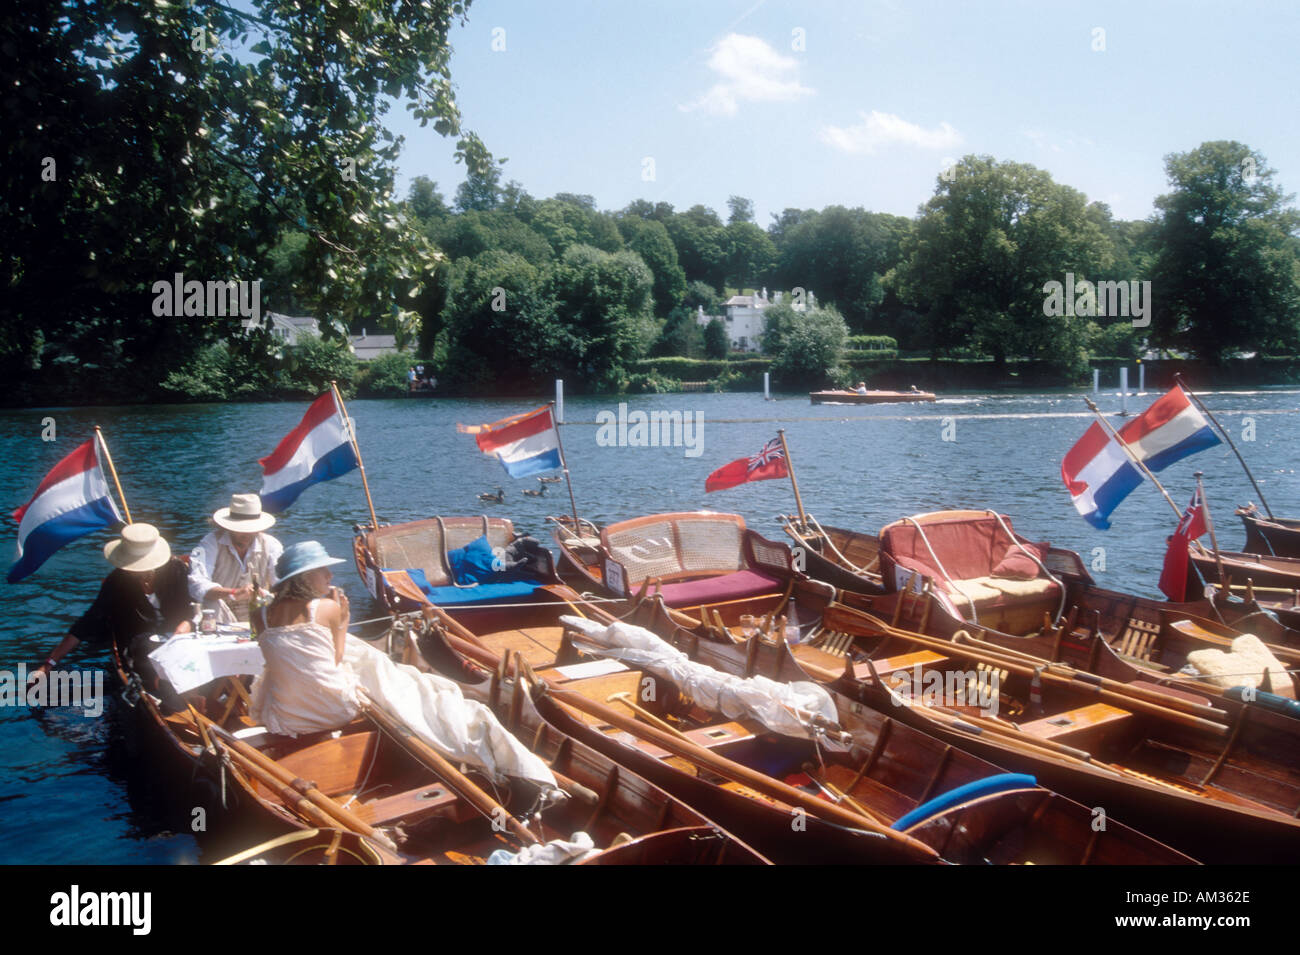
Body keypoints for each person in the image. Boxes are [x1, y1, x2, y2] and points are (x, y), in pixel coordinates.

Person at [31, 523, 192, 686]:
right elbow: (87, 622)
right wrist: (49, 664)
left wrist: (186, 623)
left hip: (176, 635)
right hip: (140, 641)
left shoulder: (176, 570)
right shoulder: (117, 581)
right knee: (147, 654)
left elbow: (190, 609)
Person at [249, 541, 356, 737]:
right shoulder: (326, 607)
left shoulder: (259, 615)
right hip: (333, 713)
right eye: (322, 569)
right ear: (305, 578)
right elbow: (337, 658)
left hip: (287, 720)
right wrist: (344, 617)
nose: (329, 575)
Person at [189, 493, 282, 623]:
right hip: (221, 614)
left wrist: (269, 596)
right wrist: (233, 593)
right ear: (228, 527)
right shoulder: (210, 542)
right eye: (241, 529)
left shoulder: (271, 544)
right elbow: (197, 584)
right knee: (211, 603)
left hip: (259, 613)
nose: (246, 534)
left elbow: (280, 583)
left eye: (251, 529)